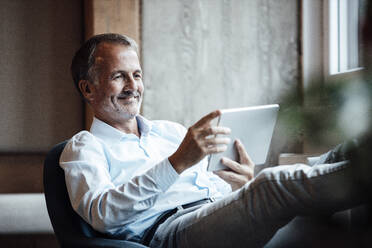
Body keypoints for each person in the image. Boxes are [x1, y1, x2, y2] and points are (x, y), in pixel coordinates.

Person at [60, 33, 365, 248]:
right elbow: (103, 215)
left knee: (327, 161)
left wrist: (242, 184)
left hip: (213, 213)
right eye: (119, 76)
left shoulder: (170, 131)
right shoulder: (84, 147)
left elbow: (212, 190)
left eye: (137, 75)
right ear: (88, 89)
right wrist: (176, 162)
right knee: (274, 184)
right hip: (170, 234)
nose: (133, 86)